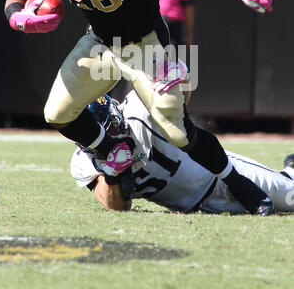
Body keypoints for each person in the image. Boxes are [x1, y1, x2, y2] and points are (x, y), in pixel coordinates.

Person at [4, 0, 277, 216]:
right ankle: (112, 149)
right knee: (57, 113)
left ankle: (238, 184)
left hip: (144, 47)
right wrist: (16, 14)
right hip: (100, 42)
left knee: (179, 133)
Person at [70, 91, 294, 214]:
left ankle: (290, 170)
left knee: (291, 197)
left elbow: (182, 89)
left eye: (112, 128)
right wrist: (112, 173)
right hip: (193, 208)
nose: (111, 138)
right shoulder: (85, 161)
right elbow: (117, 206)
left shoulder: (137, 109)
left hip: (218, 176)